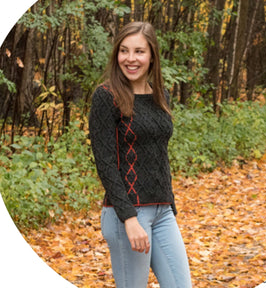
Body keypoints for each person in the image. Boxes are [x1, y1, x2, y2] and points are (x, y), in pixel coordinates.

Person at [89, 21, 192, 288]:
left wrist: (169, 204)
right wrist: (129, 218)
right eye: (124, 51)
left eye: (139, 51)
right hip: (127, 214)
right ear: (117, 55)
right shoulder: (106, 96)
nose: (131, 59)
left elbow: (159, 155)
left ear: (152, 56)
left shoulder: (161, 96)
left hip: (162, 212)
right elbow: (106, 163)